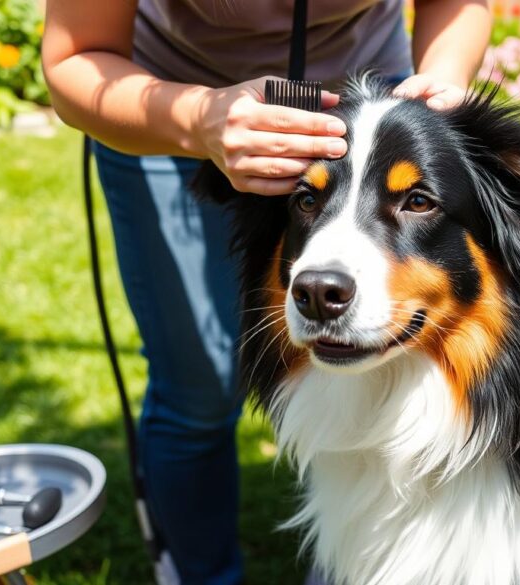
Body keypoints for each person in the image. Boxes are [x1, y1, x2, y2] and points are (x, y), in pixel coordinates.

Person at [41, 1, 490, 582]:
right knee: (197, 388)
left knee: (382, 365)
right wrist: (200, 121)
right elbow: (74, 58)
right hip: (165, 104)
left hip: (370, 98)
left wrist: (443, 85)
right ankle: (201, 573)